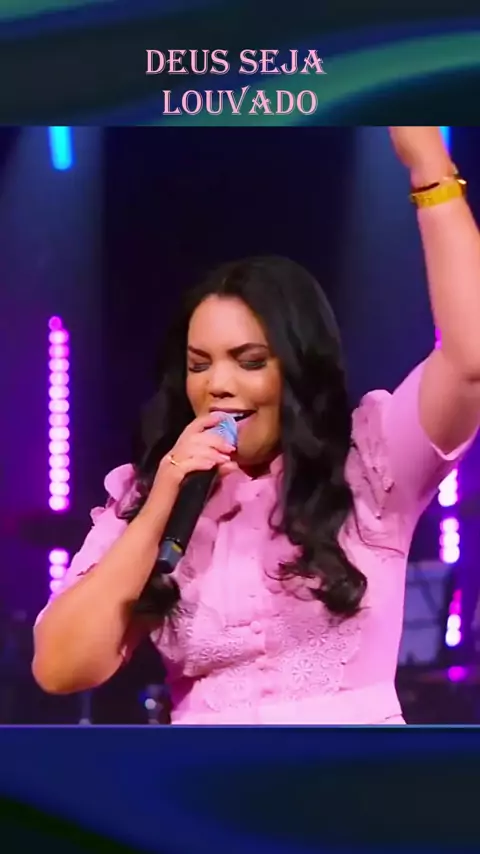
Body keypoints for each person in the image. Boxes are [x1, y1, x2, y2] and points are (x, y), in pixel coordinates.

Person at [33, 127, 480, 724]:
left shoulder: (371, 464)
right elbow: (60, 668)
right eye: (200, 365)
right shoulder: (153, 497)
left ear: (296, 368)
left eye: (249, 361)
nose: (217, 384)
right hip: (206, 778)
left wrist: (430, 169)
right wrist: (161, 503)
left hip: (351, 775)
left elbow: (470, 359)